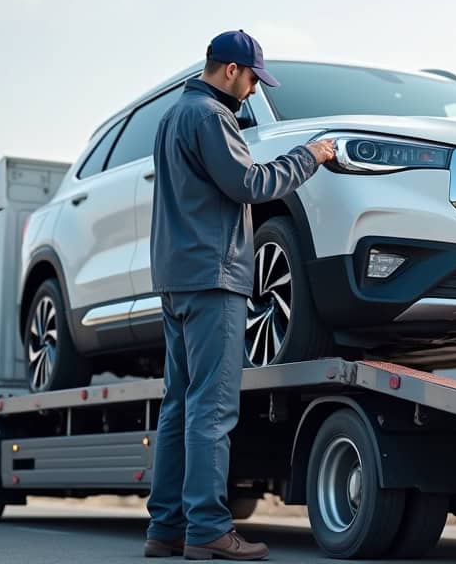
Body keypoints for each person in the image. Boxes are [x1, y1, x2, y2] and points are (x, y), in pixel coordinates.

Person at [143, 30, 336, 560]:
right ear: (230, 70)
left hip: (176, 278)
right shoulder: (211, 117)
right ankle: (207, 528)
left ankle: (166, 529)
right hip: (213, 277)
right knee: (212, 408)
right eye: (253, 78)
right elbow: (248, 184)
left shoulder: (172, 118)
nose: (253, 90)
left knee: (179, 406)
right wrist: (309, 156)